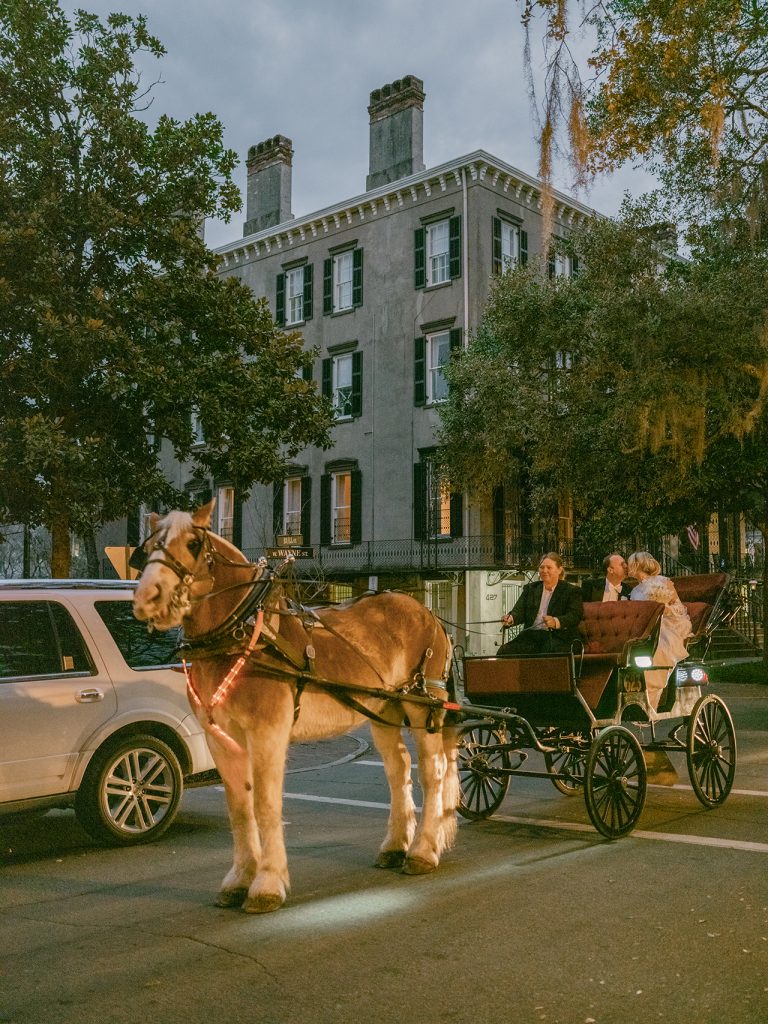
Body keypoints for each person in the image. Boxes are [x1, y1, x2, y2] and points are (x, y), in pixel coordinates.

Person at [628, 550, 692, 710]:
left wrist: (665, 608)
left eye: (630, 564)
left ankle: (653, 695)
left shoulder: (663, 581)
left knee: (661, 647)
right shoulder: (635, 591)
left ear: (638, 565)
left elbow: (678, 606)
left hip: (669, 622)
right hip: (645, 626)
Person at [498, 552, 583, 655]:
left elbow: (574, 616)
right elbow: (519, 611)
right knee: (504, 651)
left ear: (559, 570)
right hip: (531, 636)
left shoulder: (571, 591)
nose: (544, 571)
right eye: (542, 567)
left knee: (545, 651)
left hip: (558, 636)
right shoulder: (530, 589)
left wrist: (555, 621)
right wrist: (510, 618)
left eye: (549, 567)